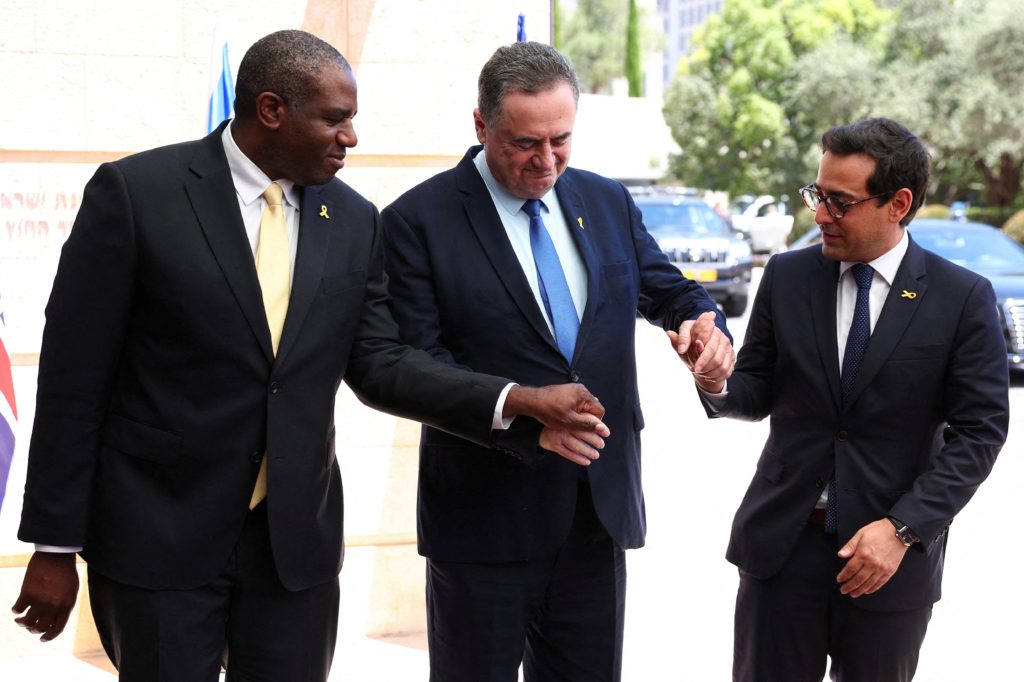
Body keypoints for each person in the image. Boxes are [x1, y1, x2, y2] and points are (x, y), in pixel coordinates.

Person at [10, 30, 610, 682]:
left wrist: (516, 401)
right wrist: (54, 544)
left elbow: (380, 363)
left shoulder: (354, 220)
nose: (351, 137)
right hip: (159, 542)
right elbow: (74, 380)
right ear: (272, 110)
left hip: (293, 553)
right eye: (335, 118)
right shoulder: (136, 194)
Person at [380, 41, 734, 682]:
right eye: (525, 143)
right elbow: (413, 368)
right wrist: (519, 409)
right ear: (481, 125)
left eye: (561, 140)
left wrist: (703, 328)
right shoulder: (416, 221)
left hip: (596, 514)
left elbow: (669, 290)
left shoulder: (605, 201)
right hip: (483, 524)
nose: (546, 160)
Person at [684, 117, 1009, 681]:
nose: (819, 216)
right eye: (817, 195)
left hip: (888, 556)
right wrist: (715, 378)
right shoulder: (786, 276)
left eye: (840, 202)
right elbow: (754, 389)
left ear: (897, 204)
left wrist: (903, 528)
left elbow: (980, 434)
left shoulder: (961, 298)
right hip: (782, 548)